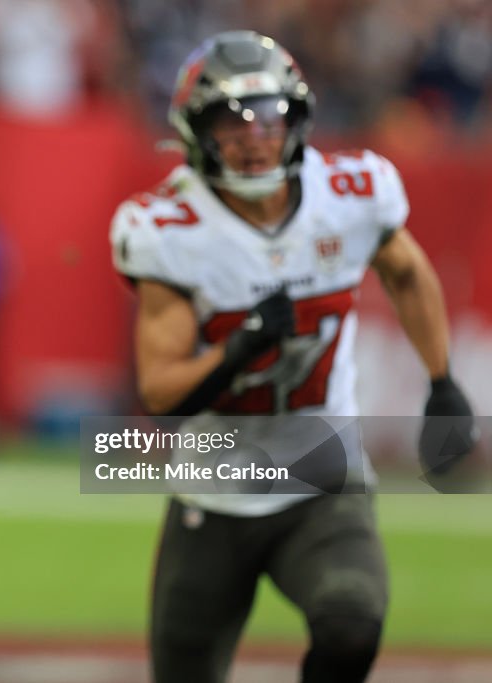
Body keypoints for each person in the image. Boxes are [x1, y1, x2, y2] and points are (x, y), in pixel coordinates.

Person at [109, 31, 476, 683]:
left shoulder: (352, 191)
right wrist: (237, 348)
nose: (255, 137)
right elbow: (161, 390)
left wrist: (442, 379)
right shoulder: (167, 227)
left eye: (271, 117)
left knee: (352, 622)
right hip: (214, 489)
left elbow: (408, 271)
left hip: (323, 474)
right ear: (198, 132)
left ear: (299, 121)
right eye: (233, 120)